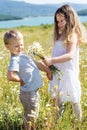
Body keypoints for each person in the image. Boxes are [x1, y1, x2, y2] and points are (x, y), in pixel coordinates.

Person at [43, 4, 87, 121]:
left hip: (67, 73)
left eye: (62, 20)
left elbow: (70, 55)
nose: (59, 24)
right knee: (58, 99)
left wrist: (51, 60)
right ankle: (57, 121)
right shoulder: (60, 36)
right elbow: (56, 54)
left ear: (70, 19)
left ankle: (78, 121)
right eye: (57, 21)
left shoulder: (72, 35)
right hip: (58, 73)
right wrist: (50, 68)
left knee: (74, 98)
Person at [3, 30, 52, 130]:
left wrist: (48, 70)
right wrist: (21, 80)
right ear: (7, 47)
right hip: (28, 93)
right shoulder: (15, 59)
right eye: (16, 46)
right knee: (30, 115)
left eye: (21, 44)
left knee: (33, 113)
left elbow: (37, 64)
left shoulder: (24, 54)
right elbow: (10, 76)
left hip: (33, 91)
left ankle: (31, 127)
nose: (20, 48)